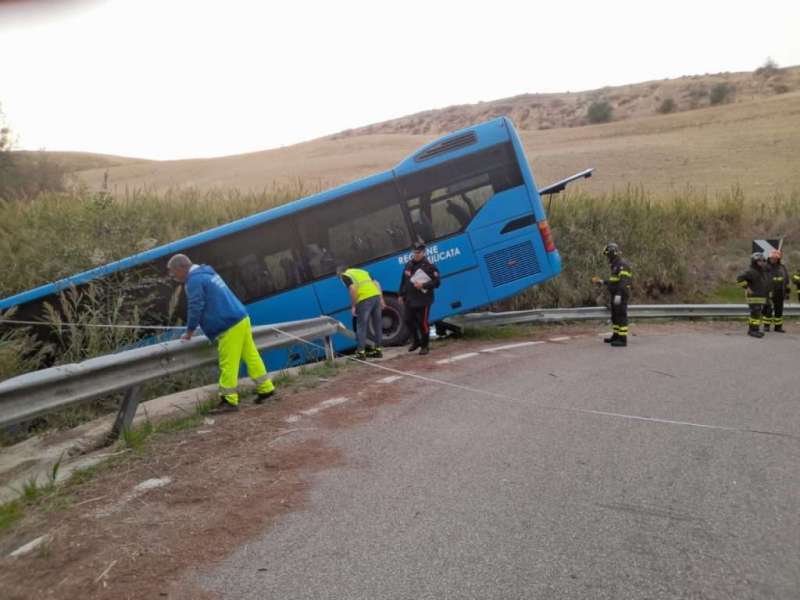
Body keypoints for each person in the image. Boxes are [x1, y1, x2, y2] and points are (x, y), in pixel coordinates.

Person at [166, 253, 276, 412]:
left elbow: (195, 306)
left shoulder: (194, 280)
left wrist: (189, 331)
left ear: (182, 267)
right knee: (251, 356)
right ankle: (266, 389)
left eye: (172, 272)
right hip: (240, 317)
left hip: (228, 324)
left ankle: (229, 400)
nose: (172, 276)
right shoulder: (207, 273)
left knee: (228, 363)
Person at [399, 242, 441, 355]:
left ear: (423, 252)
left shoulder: (430, 266)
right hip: (410, 299)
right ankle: (416, 341)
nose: (416, 255)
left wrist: (423, 285)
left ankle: (425, 346)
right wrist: (401, 294)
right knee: (407, 320)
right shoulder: (409, 264)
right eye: (414, 252)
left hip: (424, 300)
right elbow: (404, 281)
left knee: (422, 323)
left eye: (418, 253)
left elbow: (437, 282)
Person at [337, 265, 386, 359]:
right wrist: (381, 299)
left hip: (364, 300)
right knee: (377, 325)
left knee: (361, 327)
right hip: (375, 297)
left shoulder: (345, 275)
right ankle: (378, 351)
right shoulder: (362, 272)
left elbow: (352, 289)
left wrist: (353, 306)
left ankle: (361, 353)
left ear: (340, 273)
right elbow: (377, 283)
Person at [591, 242, 632, 347]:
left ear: (612, 254)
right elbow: (614, 281)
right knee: (615, 316)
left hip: (621, 295)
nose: (607, 257)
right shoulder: (615, 265)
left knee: (621, 316)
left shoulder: (622, 265)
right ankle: (616, 335)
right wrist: (602, 281)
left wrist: (619, 294)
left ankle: (622, 340)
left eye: (608, 255)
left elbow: (623, 282)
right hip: (615, 294)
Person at [736, 252, 770, 338]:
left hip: (760, 296)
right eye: (759, 261)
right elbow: (739, 279)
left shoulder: (761, 271)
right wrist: (747, 287)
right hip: (754, 297)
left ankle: (752, 330)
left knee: (756, 314)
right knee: (755, 315)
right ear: (754, 261)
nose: (762, 262)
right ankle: (754, 331)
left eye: (763, 261)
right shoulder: (750, 271)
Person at [763, 249, 789, 332]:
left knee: (779, 310)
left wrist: (787, 291)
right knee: (768, 310)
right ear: (769, 258)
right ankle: (766, 326)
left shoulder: (782, 267)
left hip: (780, 292)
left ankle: (778, 327)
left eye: (775, 258)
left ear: (778, 259)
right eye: (772, 258)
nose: (774, 259)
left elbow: (786, 279)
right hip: (769, 292)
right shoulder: (765, 267)